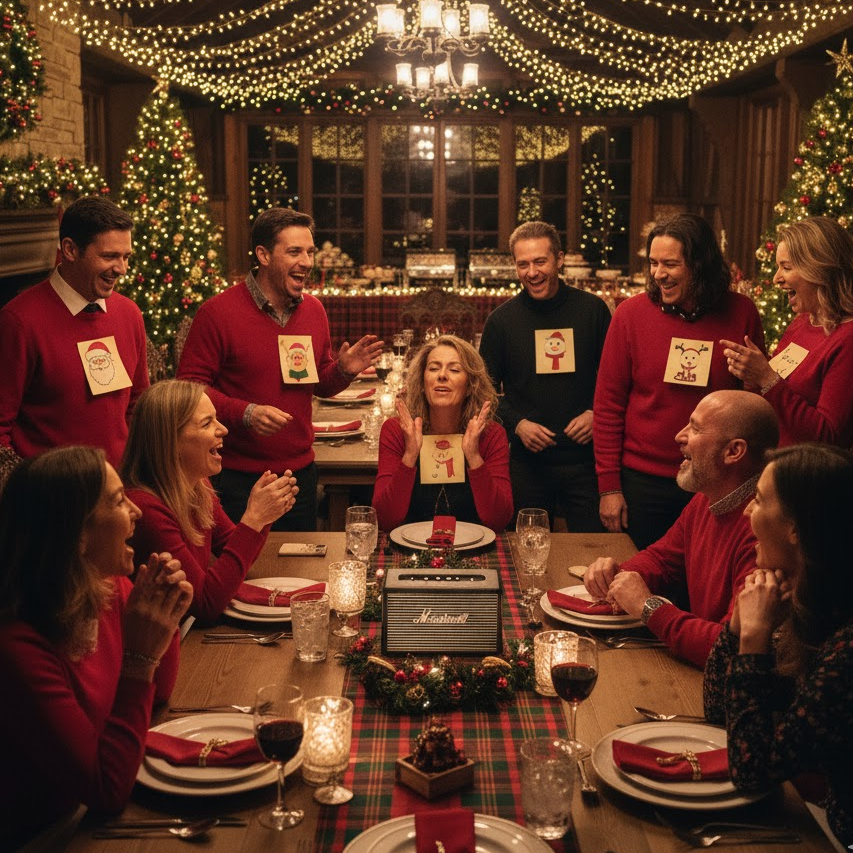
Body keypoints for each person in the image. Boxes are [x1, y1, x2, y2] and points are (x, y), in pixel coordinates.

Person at [0, 446, 192, 850]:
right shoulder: (17, 648)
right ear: (78, 534)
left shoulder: (108, 588)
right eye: (120, 501)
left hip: (96, 816)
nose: (136, 513)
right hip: (47, 836)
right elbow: (106, 789)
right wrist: (139, 659)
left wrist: (164, 615)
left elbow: (160, 694)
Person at [177, 207, 383, 530]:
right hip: (236, 479)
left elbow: (319, 383)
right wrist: (246, 412)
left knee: (298, 576)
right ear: (263, 255)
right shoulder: (217, 313)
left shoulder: (314, 311)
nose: (307, 261)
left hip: (298, 477)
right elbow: (187, 389)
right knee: (244, 574)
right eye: (294, 251)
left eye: (310, 252)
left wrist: (343, 370)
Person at [704, 444, 853, 847]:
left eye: (758, 500)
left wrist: (753, 642)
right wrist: (736, 629)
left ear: (795, 530)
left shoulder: (846, 647)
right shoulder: (805, 601)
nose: (747, 513)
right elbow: (720, 712)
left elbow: (753, 771)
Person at [594, 213, 765, 550]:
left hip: (715, 480)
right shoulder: (631, 315)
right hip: (643, 483)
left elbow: (754, 405)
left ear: (700, 264)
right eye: (654, 263)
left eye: (670, 264)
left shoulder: (741, 312)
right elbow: (608, 405)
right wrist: (609, 487)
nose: (659, 274)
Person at [584, 390, 779, 666]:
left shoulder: (763, 528)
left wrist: (649, 607)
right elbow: (662, 559)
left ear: (734, 451)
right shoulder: (706, 498)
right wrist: (620, 575)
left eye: (695, 428)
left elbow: (730, 647)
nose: (679, 435)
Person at [122, 380, 298, 623]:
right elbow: (204, 604)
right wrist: (254, 519)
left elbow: (236, 562)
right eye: (207, 423)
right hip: (170, 647)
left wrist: (264, 516)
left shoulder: (197, 485)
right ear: (170, 441)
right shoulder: (145, 507)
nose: (223, 429)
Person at [0, 196, 147, 485]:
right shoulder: (18, 321)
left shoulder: (128, 314)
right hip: (51, 497)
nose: (122, 269)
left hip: (118, 491)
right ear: (70, 250)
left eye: (126, 256)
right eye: (109, 256)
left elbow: (138, 405)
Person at [479, 221, 611, 531]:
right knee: (527, 554)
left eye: (540, 261)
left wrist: (596, 414)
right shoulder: (501, 321)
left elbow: (616, 379)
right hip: (526, 462)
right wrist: (518, 424)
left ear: (559, 260)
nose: (532, 272)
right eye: (522, 264)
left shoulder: (592, 310)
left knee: (591, 552)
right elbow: (482, 390)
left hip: (587, 461)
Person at [722, 215, 853, 448]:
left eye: (786, 267)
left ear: (819, 269)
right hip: (775, 463)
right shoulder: (803, 321)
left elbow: (827, 435)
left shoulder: (847, 338)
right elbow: (776, 396)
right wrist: (750, 374)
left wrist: (766, 378)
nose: (776, 278)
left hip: (808, 478)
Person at [372, 334, 513, 532]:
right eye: (433, 368)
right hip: (409, 550)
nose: (442, 376)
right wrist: (410, 455)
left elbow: (499, 520)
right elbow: (385, 520)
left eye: (454, 369)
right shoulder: (397, 431)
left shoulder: (491, 434)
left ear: (471, 385)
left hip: (474, 550)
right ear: (422, 383)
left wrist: (474, 457)